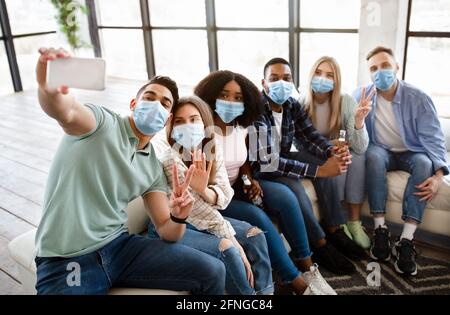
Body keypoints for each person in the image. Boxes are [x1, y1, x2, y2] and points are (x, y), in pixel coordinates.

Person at [34, 47, 226, 295]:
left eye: (165, 103)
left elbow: (167, 230)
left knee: (214, 270)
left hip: (121, 249)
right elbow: (65, 110)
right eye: (149, 97)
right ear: (134, 103)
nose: (156, 105)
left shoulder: (152, 166)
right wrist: (48, 89)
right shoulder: (101, 124)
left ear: (167, 119)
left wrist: (179, 215)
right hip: (68, 260)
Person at [194, 70, 336, 295]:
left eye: (238, 97)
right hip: (215, 198)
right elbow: (205, 182)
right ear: (211, 97)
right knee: (258, 217)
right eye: (225, 95)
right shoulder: (201, 131)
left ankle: (308, 268)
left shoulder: (242, 126)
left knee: (286, 196)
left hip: (237, 187)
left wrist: (247, 180)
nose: (231, 102)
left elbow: (243, 164)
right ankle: (295, 281)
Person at [250, 57, 367, 276]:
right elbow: (268, 161)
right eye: (274, 79)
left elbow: (310, 137)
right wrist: (319, 170)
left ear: (293, 81)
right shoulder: (257, 110)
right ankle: (320, 244)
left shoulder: (291, 105)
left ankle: (333, 229)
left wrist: (331, 152)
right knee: (294, 187)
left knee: (324, 159)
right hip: (263, 169)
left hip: (283, 158)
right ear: (263, 83)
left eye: (286, 78)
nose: (281, 83)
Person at [150, 95, 273, 295]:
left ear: (204, 122)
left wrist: (203, 189)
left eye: (193, 119)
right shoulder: (171, 159)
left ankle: (266, 294)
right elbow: (199, 211)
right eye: (179, 122)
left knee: (255, 236)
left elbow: (225, 195)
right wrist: (232, 240)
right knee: (229, 250)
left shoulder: (212, 149)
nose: (187, 126)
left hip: (201, 219)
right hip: (174, 225)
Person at [353, 46, 449, 276]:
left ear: (396, 67)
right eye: (374, 68)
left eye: (385, 65)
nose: (380, 72)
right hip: (382, 150)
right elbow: (354, 139)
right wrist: (358, 119)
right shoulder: (361, 95)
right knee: (373, 156)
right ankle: (380, 231)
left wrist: (438, 177)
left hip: (411, 151)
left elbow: (435, 140)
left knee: (425, 163)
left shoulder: (418, 98)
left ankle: (406, 239)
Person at [296, 56, 372, 249]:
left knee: (358, 156)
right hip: (317, 154)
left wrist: (358, 122)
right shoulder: (300, 103)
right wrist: (329, 145)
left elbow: (360, 146)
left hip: (339, 152)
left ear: (336, 80)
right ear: (311, 75)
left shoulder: (345, 101)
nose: (323, 78)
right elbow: (299, 146)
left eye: (329, 75)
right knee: (334, 158)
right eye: (319, 73)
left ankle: (353, 222)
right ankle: (337, 222)